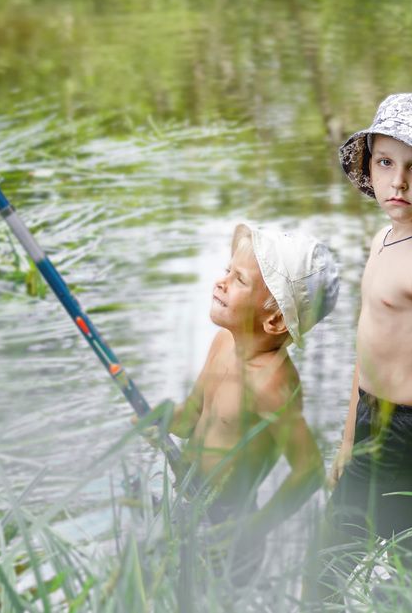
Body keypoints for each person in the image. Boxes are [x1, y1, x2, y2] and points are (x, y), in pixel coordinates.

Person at [306, 91, 412, 603]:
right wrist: (346, 440)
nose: (397, 181)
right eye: (385, 162)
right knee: (381, 553)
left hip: (411, 431)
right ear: (368, 165)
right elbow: (369, 347)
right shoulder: (387, 237)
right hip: (372, 417)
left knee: (359, 556)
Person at [162, 223, 339, 586]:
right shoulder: (221, 343)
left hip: (229, 522)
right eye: (227, 271)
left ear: (274, 319)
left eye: (238, 280)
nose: (220, 282)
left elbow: (309, 471)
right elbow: (189, 421)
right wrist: (161, 418)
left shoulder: (272, 382)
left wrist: (252, 529)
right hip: (187, 498)